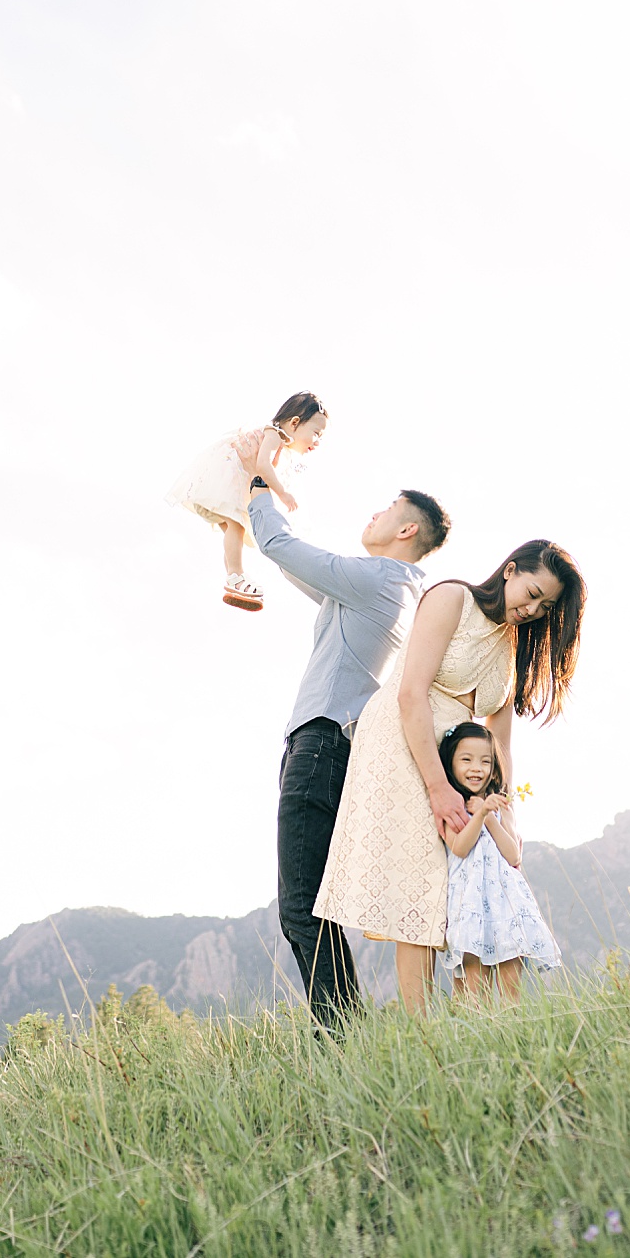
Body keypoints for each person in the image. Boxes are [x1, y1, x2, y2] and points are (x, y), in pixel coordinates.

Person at [235, 429, 451, 1026]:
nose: (375, 513)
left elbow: (281, 544)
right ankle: (347, 1034)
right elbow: (289, 560)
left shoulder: (383, 580)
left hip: (323, 743)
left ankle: (345, 1039)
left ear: (407, 530)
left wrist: (259, 479)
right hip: (323, 744)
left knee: (303, 908)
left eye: (387, 510)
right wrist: (262, 502)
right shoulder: (379, 587)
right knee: (310, 908)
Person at [315, 540, 585, 1013]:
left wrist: (508, 817)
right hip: (404, 744)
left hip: (462, 769)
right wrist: (439, 788)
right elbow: (409, 694)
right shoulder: (452, 600)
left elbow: (500, 743)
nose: (533, 608)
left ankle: (472, 1015)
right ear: (511, 570)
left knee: (460, 887)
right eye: (533, 592)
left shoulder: (512, 647)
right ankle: (422, 1032)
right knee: (419, 885)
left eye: (545, 606)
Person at [168, 392, 329, 609]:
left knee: (234, 529)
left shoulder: (280, 440)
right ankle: (236, 574)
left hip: (229, 483)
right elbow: (263, 465)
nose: (318, 442)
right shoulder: (274, 434)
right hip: (228, 481)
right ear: (294, 423)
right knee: (236, 525)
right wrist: (282, 493)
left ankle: (233, 579)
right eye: (316, 433)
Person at [437, 721, 561, 1001]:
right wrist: (477, 816)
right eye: (466, 760)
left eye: (485, 761)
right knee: (474, 985)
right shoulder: (450, 807)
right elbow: (459, 847)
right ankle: (474, 1037)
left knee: (510, 984)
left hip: (506, 904)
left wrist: (490, 815)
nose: (476, 768)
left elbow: (513, 855)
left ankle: (511, 1035)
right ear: (451, 763)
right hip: (470, 906)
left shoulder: (502, 804)